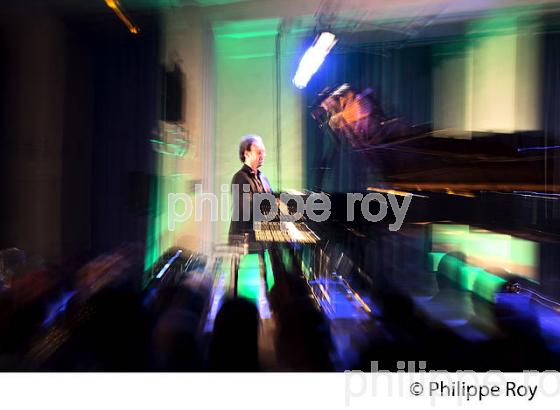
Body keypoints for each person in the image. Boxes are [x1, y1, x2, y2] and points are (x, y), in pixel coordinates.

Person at [228, 135, 272, 245]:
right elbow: (246, 210)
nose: (263, 155)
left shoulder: (263, 178)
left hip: (259, 238)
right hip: (245, 240)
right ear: (246, 154)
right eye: (259, 152)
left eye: (263, 152)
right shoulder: (240, 178)